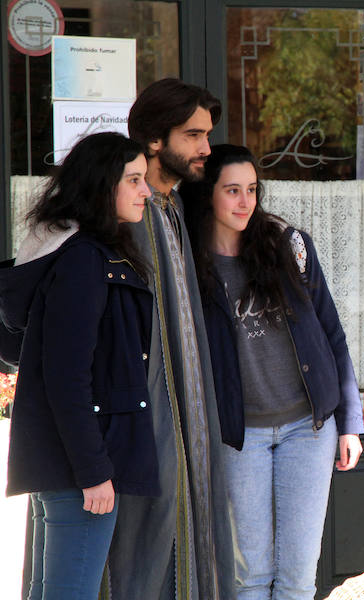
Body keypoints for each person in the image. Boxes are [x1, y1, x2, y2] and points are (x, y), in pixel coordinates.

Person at [180, 144, 364, 599]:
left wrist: (350, 424)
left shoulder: (288, 247)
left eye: (252, 190)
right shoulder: (188, 265)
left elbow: (332, 336)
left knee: (298, 578)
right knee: (251, 577)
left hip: (309, 427)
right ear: (209, 196)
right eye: (232, 191)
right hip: (242, 436)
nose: (245, 202)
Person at [0, 132, 153, 600]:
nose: (145, 191)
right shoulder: (85, 260)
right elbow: (67, 377)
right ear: (103, 186)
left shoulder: (79, 252)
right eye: (134, 179)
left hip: (68, 465)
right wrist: (92, 470)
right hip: (81, 467)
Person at [101, 78, 235, 600]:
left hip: (186, 422)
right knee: (139, 549)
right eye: (193, 135)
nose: (206, 147)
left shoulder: (174, 208)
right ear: (155, 140)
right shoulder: (124, 217)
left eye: (206, 134)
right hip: (140, 423)